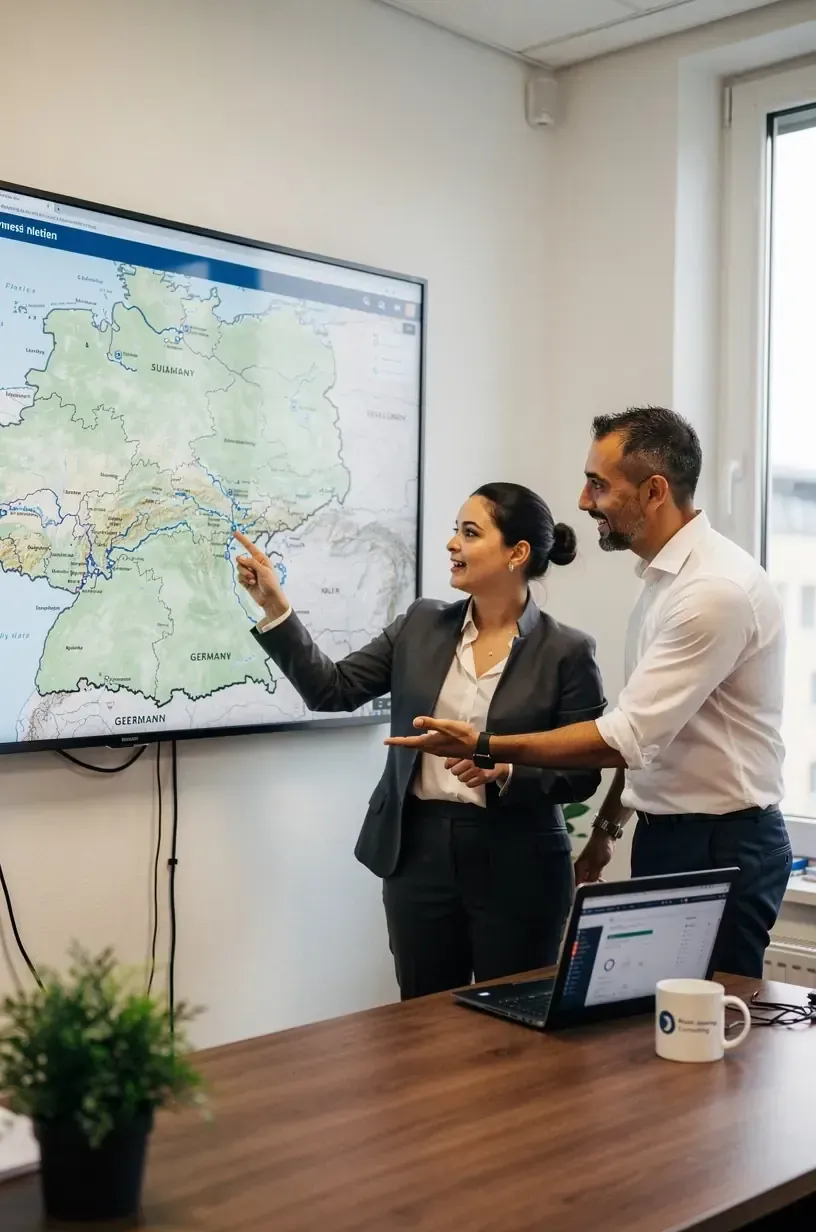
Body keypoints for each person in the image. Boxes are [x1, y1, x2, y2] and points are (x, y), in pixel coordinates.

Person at [387, 408, 792, 980]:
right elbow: (648, 734)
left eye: (598, 485)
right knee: (656, 1020)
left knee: (711, 1025)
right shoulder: (664, 583)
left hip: (721, 844)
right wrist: (606, 831)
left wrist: (485, 744)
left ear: (654, 492)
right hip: (669, 835)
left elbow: (625, 737)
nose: (582, 501)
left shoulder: (712, 591)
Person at [234, 482, 606, 999]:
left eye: (470, 533)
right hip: (419, 853)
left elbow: (583, 770)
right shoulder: (420, 624)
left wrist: (504, 768)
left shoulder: (567, 651)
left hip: (519, 858)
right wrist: (276, 607)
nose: (452, 543)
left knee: (515, 1022)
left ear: (517, 553)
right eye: (455, 531)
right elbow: (332, 689)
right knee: (423, 1019)